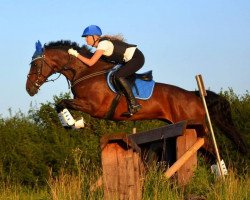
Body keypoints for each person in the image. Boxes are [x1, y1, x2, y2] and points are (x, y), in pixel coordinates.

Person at [68, 25, 145, 117]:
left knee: (118, 76)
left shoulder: (103, 44)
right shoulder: (101, 46)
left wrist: (76, 54)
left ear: (94, 37)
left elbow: (90, 63)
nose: (86, 39)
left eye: (87, 37)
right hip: (128, 60)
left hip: (137, 58)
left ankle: (134, 104)